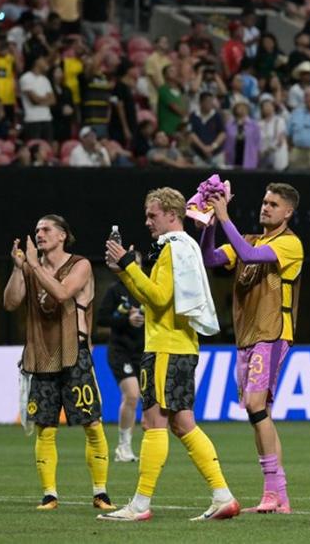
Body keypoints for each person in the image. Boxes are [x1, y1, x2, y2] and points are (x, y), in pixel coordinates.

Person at [99, 187, 239, 522]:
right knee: (182, 423)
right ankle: (223, 496)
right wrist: (125, 272)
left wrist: (129, 267)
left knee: (154, 422)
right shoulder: (184, 247)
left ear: (172, 215)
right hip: (181, 345)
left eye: (153, 215)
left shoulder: (172, 249)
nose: (147, 222)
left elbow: (159, 299)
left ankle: (140, 504)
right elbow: (155, 299)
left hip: (164, 348)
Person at [199, 183, 303, 514]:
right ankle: (279, 496)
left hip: (273, 332)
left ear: (288, 212)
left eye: (273, 204)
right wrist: (210, 227)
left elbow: (250, 256)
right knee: (257, 413)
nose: (266, 207)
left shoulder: (290, 244)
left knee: (256, 406)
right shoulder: (252, 238)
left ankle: (273, 491)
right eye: (264, 201)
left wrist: (224, 216)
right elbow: (210, 258)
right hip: (247, 335)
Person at [2, 214, 114, 511]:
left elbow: (63, 293)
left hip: (74, 353)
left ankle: (100, 492)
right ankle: (49, 494)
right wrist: (18, 270)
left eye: (46, 229)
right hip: (41, 356)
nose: (39, 234)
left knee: (91, 423)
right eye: (37, 229)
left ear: (63, 235)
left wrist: (33, 266)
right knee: (45, 427)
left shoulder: (80, 265)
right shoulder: (29, 268)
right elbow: (11, 303)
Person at [97, 260, 145, 463]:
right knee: (132, 395)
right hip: (120, 351)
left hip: (144, 351)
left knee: (153, 401)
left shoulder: (146, 287)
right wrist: (127, 319)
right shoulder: (115, 291)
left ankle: (152, 448)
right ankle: (123, 447)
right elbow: (101, 319)